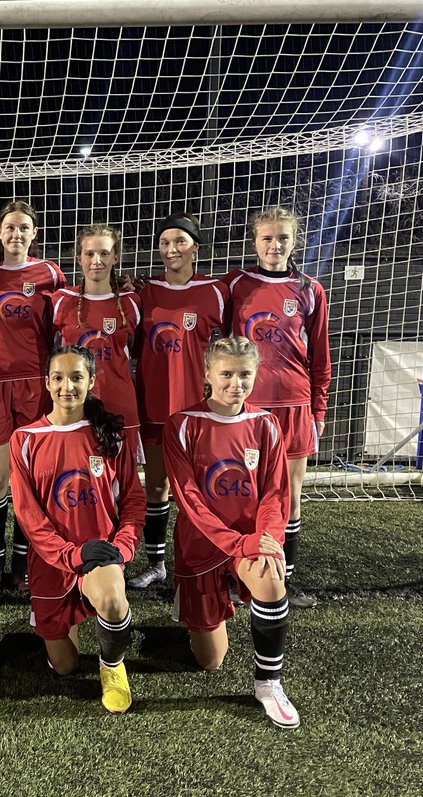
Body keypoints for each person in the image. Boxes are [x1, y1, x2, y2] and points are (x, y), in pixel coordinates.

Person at [164, 336, 300, 728]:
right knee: (209, 662)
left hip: (249, 541)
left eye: (244, 374)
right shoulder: (183, 424)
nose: (235, 383)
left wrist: (265, 540)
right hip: (202, 544)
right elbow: (188, 498)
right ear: (207, 374)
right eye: (226, 373)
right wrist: (236, 541)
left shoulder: (266, 424)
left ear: (256, 375)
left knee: (271, 576)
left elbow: (276, 494)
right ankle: (194, 609)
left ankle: (268, 683)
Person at [9, 346, 144, 714]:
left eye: (76, 377)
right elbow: (27, 515)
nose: (67, 386)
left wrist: (122, 549)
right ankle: (63, 624)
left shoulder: (110, 436)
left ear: (91, 382)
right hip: (52, 563)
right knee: (64, 667)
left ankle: (112, 664)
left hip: (98, 556)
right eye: (58, 378)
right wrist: (69, 554)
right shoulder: (26, 439)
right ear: (47, 383)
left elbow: (133, 501)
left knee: (114, 602)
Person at [224, 206, 331, 609]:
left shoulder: (309, 290)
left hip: (293, 405)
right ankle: (237, 575)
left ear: (294, 240)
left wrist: (317, 413)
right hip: (245, 408)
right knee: (242, 494)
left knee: (290, 497)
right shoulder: (235, 285)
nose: (275, 245)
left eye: (282, 237)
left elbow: (320, 359)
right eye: (267, 238)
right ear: (254, 242)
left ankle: (284, 577)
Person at [0, 199, 66, 590]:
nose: (16, 234)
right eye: (10, 227)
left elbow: (70, 312)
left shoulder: (50, 274)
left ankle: (23, 564)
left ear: (34, 233)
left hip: (34, 382)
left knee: (29, 477)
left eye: (24, 227)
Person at [130, 212, 227, 591]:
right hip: (152, 406)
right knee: (156, 488)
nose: (172, 249)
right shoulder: (143, 292)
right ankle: (156, 564)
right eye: (165, 242)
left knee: (201, 489)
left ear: (195, 248)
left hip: (197, 412)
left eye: (180, 242)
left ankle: (203, 561)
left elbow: (228, 348)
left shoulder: (215, 292)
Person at [51, 224, 142, 452]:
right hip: (75, 403)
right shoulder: (61, 301)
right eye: (89, 254)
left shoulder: (132, 302)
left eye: (104, 253)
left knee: (124, 481)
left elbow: (136, 348)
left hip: (119, 402)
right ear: (79, 258)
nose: (96, 260)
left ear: (115, 257)